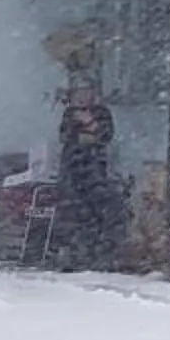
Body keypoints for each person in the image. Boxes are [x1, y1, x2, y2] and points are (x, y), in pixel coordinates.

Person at [55, 87, 123, 269]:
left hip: (94, 170)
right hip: (72, 169)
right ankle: (74, 255)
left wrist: (89, 124)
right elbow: (66, 137)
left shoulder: (102, 113)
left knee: (99, 212)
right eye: (78, 94)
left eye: (86, 93)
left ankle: (97, 255)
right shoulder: (69, 114)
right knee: (73, 213)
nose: (82, 98)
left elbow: (104, 136)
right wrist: (88, 133)